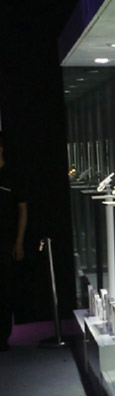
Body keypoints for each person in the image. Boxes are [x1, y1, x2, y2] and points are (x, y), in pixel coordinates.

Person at [0, 132, 28, 350]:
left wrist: (19, 241)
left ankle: (3, 337)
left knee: (5, 289)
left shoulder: (12, 175)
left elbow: (22, 209)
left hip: (6, 240)